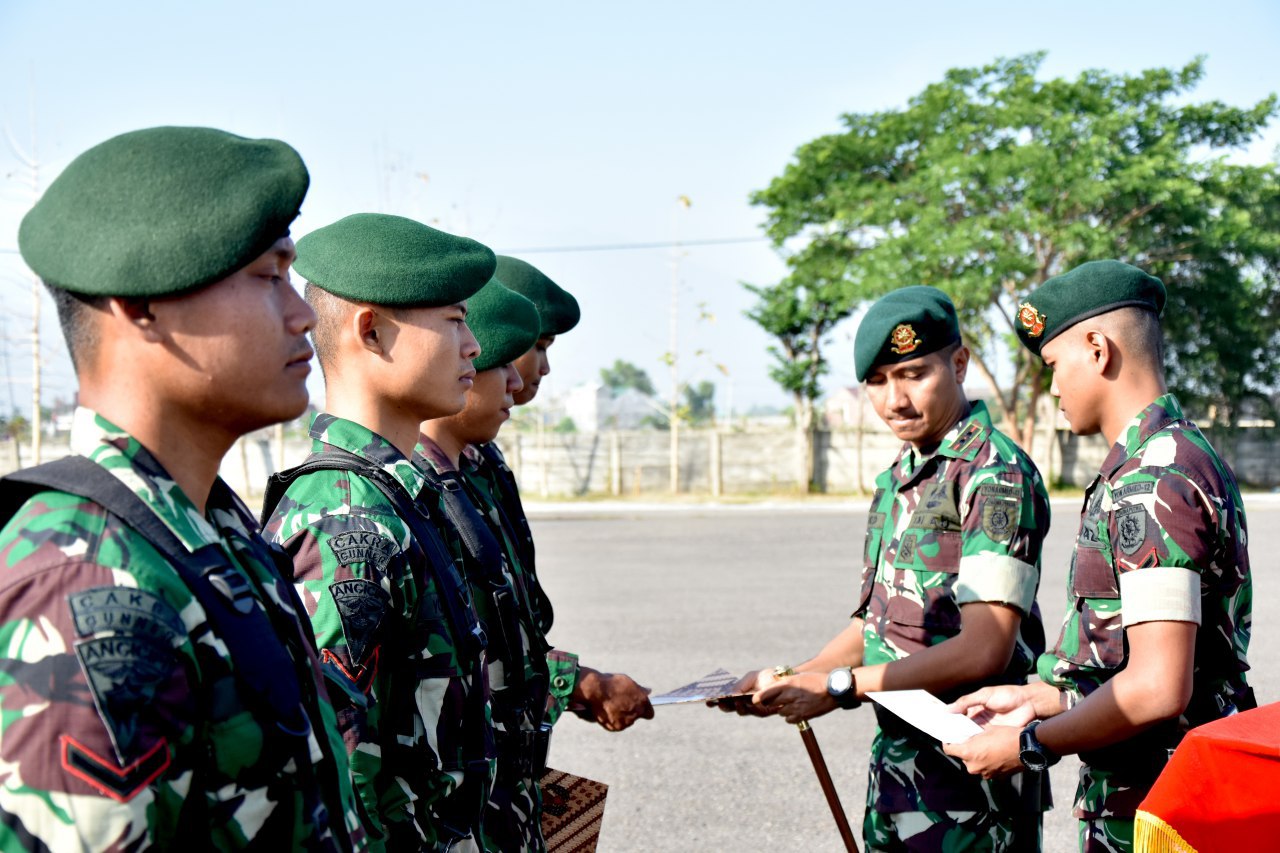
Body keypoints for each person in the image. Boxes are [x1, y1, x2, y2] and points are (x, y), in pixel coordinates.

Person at [0, 126, 366, 850]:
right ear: (141, 303)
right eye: (270, 276)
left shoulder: (210, 531)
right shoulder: (91, 585)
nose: (301, 314)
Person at [944, 260, 1254, 853]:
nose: (1054, 388)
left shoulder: (1155, 476)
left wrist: (1030, 745)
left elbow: (1159, 689)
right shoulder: (1168, 457)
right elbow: (1137, 666)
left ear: (1097, 348)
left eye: (1054, 366)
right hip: (1154, 796)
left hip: (1159, 808)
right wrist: (1039, 698)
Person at [727, 286, 1052, 852]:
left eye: (912, 374)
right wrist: (790, 678)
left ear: (958, 363)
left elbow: (986, 649)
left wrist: (835, 688)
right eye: (876, 382)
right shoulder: (902, 476)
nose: (894, 400)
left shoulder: (993, 474)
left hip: (973, 785)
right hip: (901, 774)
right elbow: (874, 626)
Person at [260, 213, 496, 851]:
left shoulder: (397, 495)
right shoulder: (346, 519)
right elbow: (342, 764)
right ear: (371, 330)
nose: (474, 344)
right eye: (453, 320)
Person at [471, 255, 654, 732]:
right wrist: (583, 684)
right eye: (536, 346)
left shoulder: (480, 458)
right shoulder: (422, 475)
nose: (542, 369)